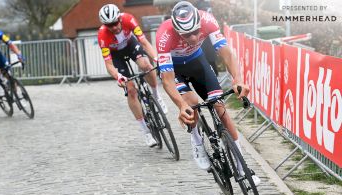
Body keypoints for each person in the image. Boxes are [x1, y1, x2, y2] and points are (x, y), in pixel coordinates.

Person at [156, 1, 259, 184]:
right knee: (191, 102)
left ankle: (243, 168)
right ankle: (197, 142)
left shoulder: (208, 20)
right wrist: (181, 105)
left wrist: (238, 79)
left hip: (198, 63)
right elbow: (167, 80)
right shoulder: (164, 35)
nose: (194, 38)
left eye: (196, 32)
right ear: (177, 30)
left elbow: (227, 53)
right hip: (175, 70)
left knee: (221, 110)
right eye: (187, 34)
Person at [97, 4, 168, 147]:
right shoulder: (103, 35)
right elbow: (109, 64)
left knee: (146, 65)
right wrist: (118, 76)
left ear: (119, 19)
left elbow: (144, 42)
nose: (114, 27)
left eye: (115, 23)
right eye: (109, 25)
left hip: (130, 45)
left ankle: (156, 95)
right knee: (130, 89)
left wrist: (157, 58)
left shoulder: (129, 19)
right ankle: (146, 132)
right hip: (116, 55)